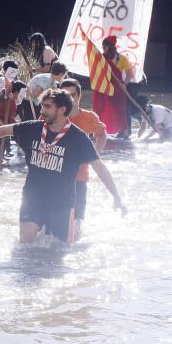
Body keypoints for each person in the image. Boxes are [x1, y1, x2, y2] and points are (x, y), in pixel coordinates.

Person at [0, 89, 126, 245]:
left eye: (48, 107)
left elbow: (99, 168)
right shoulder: (32, 128)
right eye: (42, 106)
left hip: (62, 202)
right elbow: (4, 130)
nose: (42, 111)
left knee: (58, 249)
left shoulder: (78, 138)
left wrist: (116, 197)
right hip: (33, 197)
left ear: (62, 110)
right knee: (25, 240)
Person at [60, 79, 107, 232]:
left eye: (72, 95)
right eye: (64, 94)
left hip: (80, 176)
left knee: (78, 223)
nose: (69, 98)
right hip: (56, 176)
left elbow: (102, 135)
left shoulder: (89, 118)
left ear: (79, 96)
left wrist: (94, 157)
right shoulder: (52, 115)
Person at [91, 36, 135, 137]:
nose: (103, 49)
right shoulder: (101, 58)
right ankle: (97, 129)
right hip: (105, 88)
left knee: (120, 110)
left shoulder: (122, 59)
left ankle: (123, 131)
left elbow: (128, 75)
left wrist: (124, 84)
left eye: (105, 47)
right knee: (101, 108)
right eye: (102, 47)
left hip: (118, 89)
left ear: (111, 47)